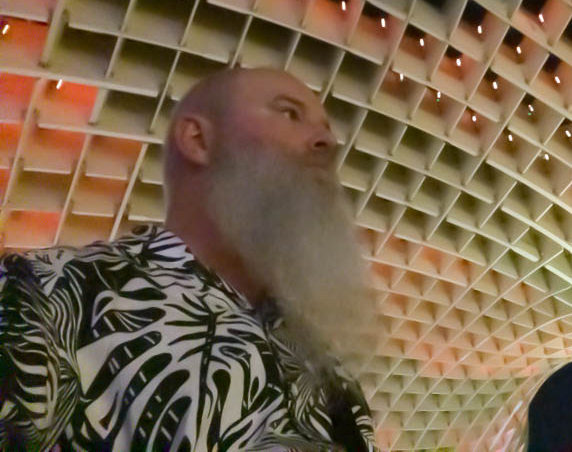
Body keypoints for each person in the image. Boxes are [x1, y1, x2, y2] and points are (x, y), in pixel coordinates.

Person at [0, 67, 378, 452]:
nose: (329, 142)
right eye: (289, 113)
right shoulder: (47, 292)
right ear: (198, 140)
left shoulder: (327, 366)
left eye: (326, 128)